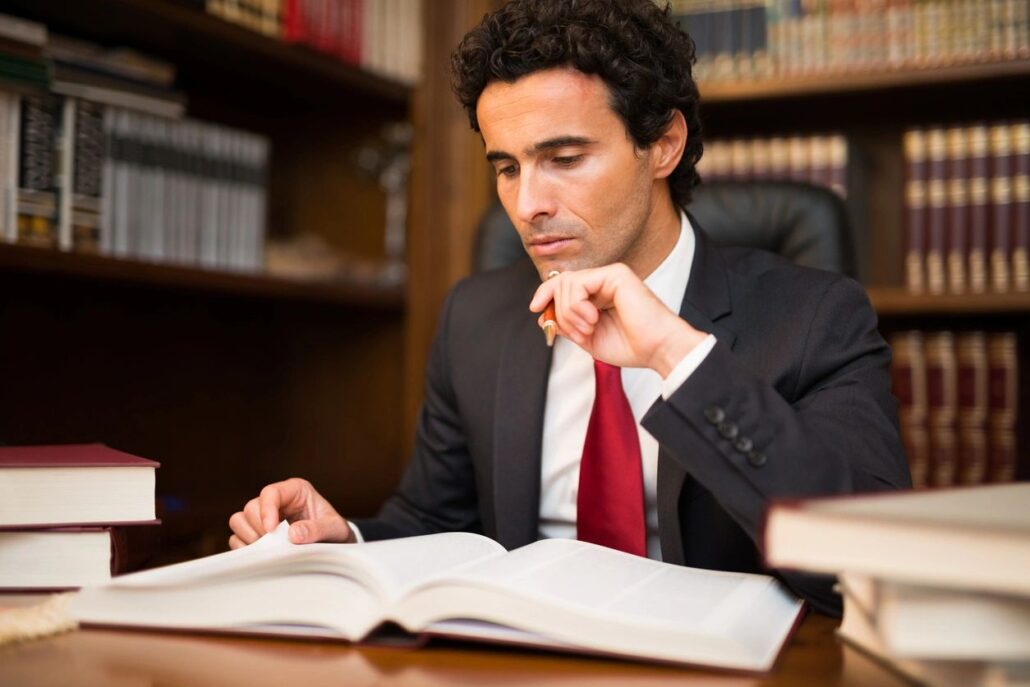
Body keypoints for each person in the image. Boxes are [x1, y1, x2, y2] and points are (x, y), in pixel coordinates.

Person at [228, 0, 910, 615]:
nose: (529, 205)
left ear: (663, 144)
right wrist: (340, 536)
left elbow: (869, 562)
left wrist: (677, 355)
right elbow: (435, 522)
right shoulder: (475, 318)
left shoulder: (817, 314)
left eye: (565, 157)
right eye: (508, 167)